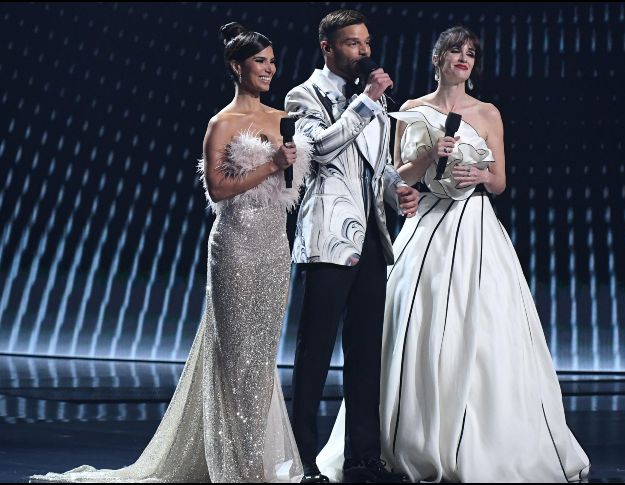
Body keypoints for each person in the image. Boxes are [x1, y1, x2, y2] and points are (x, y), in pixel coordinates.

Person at [30, 22, 311, 483]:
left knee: (260, 358)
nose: (270, 69)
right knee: (235, 356)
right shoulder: (221, 124)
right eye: (260, 61)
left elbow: (289, 186)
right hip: (236, 249)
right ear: (236, 66)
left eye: (272, 61)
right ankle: (237, 467)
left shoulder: (282, 119)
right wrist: (270, 165)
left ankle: (252, 458)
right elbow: (218, 190)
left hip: (274, 249)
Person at [317, 26, 591, 482]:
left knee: (482, 330)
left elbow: (499, 180)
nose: (463, 58)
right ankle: (400, 439)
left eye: (470, 53)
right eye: (454, 51)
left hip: (475, 229)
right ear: (437, 58)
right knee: (413, 327)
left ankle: (482, 438)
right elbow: (396, 173)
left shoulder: (487, 112)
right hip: (424, 224)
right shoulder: (410, 110)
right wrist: (428, 157)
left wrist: (477, 176)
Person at [283, 9, 419, 484]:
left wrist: (398, 191)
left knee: (366, 353)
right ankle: (301, 457)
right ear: (328, 47)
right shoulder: (304, 94)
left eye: (366, 43)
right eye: (352, 43)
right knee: (315, 352)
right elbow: (318, 150)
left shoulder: (376, 102)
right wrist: (365, 103)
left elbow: (377, 168)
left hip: (372, 242)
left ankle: (364, 456)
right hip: (328, 239)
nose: (364, 51)